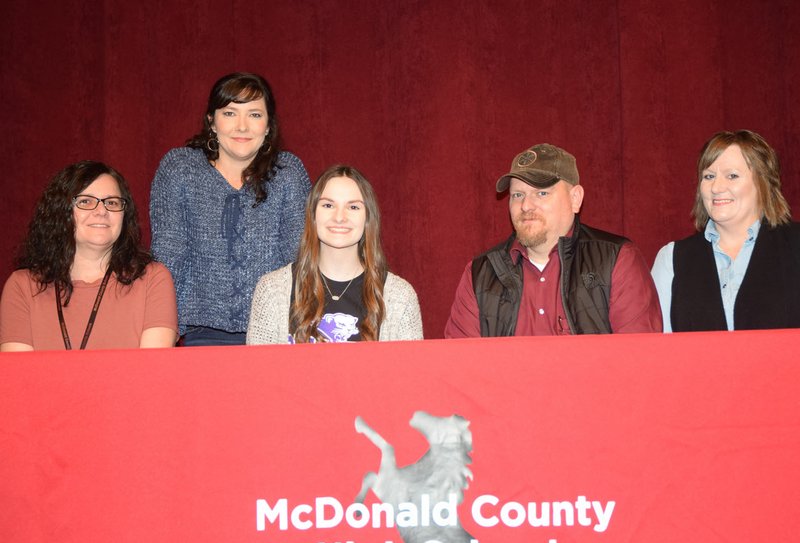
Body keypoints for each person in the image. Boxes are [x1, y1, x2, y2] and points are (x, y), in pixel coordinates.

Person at [150, 72, 310, 346]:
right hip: (200, 334)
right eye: (230, 113)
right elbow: (168, 256)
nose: (242, 126)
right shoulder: (180, 169)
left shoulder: (288, 173)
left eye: (255, 115)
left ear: (269, 125)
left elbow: (298, 261)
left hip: (276, 334)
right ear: (212, 121)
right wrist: (160, 334)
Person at [445, 143, 662, 337]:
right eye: (517, 195)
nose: (526, 206)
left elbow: (638, 363)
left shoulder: (617, 260)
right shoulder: (480, 274)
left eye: (541, 193)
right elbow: (461, 369)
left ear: (575, 198)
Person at [0, 161, 177, 351]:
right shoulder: (22, 286)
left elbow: (151, 374)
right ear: (60, 212)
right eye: (86, 201)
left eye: (112, 203)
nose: (101, 211)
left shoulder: (153, 280)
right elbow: (20, 377)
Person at [247, 165, 423, 344]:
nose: (339, 217)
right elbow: (258, 370)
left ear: (368, 219)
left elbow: (411, 371)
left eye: (353, 207)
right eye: (328, 205)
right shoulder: (271, 290)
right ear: (313, 214)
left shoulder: (400, 297)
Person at [651, 130, 800, 332]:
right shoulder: (672, 259)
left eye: (732, 176)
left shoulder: (794, 246)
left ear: (763, 183)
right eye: (709, 176)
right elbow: (658, 351)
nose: (716, 187)